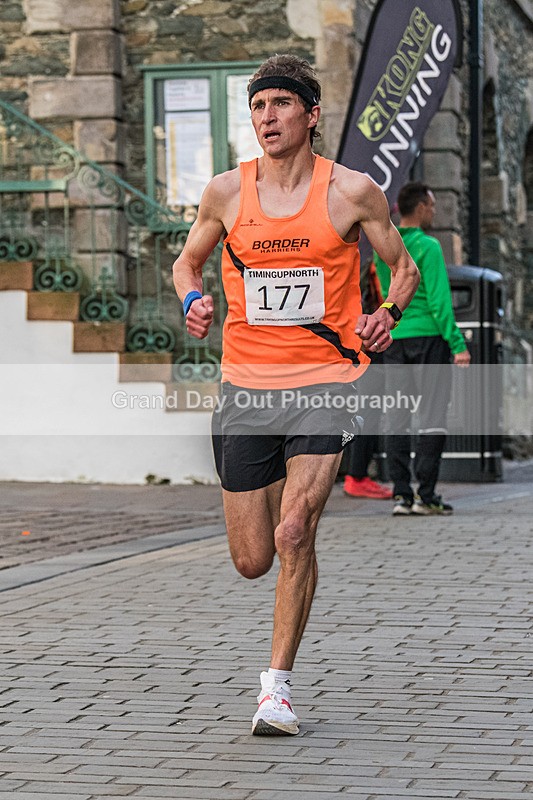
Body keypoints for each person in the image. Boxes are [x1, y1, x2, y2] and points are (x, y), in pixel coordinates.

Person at [173, 54, 419, 736]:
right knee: (253, 559)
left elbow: (401, 269)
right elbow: (186, 260)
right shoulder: (225, 192)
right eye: (257, 107)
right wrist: (192, 299)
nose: (266, 118)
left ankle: (275, 691)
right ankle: (286, 526)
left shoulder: (351, 192)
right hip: (246, 387)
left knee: (293, 531)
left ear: (311, 115)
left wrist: (386, 316)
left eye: (280, 105)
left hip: (323, 382)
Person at [375, 181, 471, 517]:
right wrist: (457, 344)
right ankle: (426, 495)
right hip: (429, 338)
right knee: (432, 417)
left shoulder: (383, 246)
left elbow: (384, 295)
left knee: (397, 417)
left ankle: (401, 495)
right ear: (419, 207)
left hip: (395, 337)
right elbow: (440, 301)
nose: (433, 211)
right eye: (431, 205)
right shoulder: (429, 247)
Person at [343, 262, 392, 500]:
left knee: (366, 407)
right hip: (366, 342)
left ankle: (357, 474)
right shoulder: (372, 259)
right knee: (369, 408)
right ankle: (357, 476)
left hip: (356, 341)